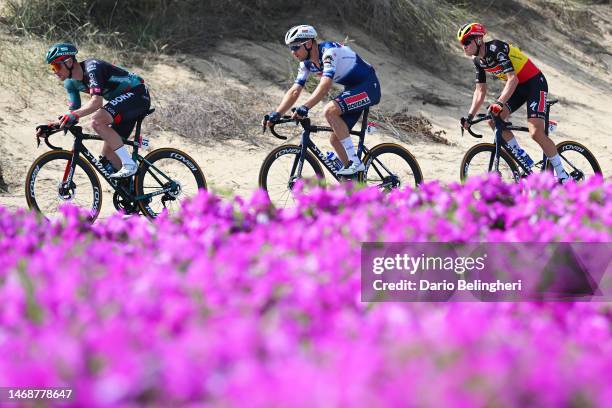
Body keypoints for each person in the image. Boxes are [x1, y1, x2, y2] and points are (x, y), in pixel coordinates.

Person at [457, 23, 569, 183]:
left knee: (536, 133)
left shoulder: (496, 48)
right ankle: (523, 158)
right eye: (462, 43)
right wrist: (469, 117)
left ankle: (564, 175)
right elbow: (480, 91)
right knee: (492, 119)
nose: (464, 46)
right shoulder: (478, 61)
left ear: (479, 40)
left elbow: (512, 79)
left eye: (467, 41)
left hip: (534, 83)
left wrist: (500, 102)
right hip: (518, 88)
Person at [264, 25, 381, 176]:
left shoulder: (328, 52)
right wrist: (277, 113)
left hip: (369, 86)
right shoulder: (306, 63)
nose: (293, 52)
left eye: (295, 47)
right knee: (335, 140)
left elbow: (325, 85)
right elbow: (294, 90)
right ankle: (354, 185)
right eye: (290, 48)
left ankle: (354, 162)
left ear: (308, 43)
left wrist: (305, 107)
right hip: (352, 89)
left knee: (329, 111)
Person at [41, 42, 150, 178]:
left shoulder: (92, 67)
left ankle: (129, 164)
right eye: (52, 67)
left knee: (97, 121)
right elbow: (74, 114)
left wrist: (74, 115)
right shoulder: (70, 83)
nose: (54, 71)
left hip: (138, 95)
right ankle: (134, 194)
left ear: (69, 61)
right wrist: (53, 127)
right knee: (107, 158)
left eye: (56, 65)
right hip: (121, 106)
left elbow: (96, 102)